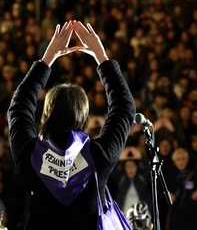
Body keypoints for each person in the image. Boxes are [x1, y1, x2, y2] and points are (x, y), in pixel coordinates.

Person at [7, 20, 136, 229]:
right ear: (84, 117)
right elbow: (124, 107)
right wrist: (100, 56)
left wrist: (47, 59)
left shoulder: (29, 154)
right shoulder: (98, 156)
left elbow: (18, 108)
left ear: (47, 113)